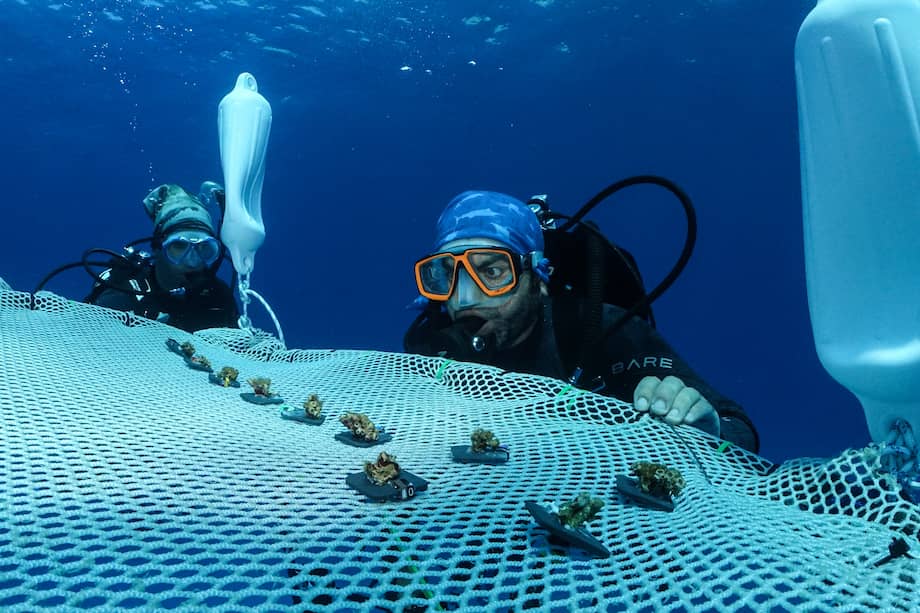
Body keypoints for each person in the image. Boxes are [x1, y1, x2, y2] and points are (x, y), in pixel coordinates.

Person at [404, 190, 759, 453]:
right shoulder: (430, 352)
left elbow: (737, 426)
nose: (465, 298)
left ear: (540, 279)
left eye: (492, 271)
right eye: (446, 275)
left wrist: (708, 426)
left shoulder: (599, 329)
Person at [84, 183, 239, 332]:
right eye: (178, 247)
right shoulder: (124, 291)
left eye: (204, 249)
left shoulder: (219, 297)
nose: (192, 261)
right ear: (157, 248)